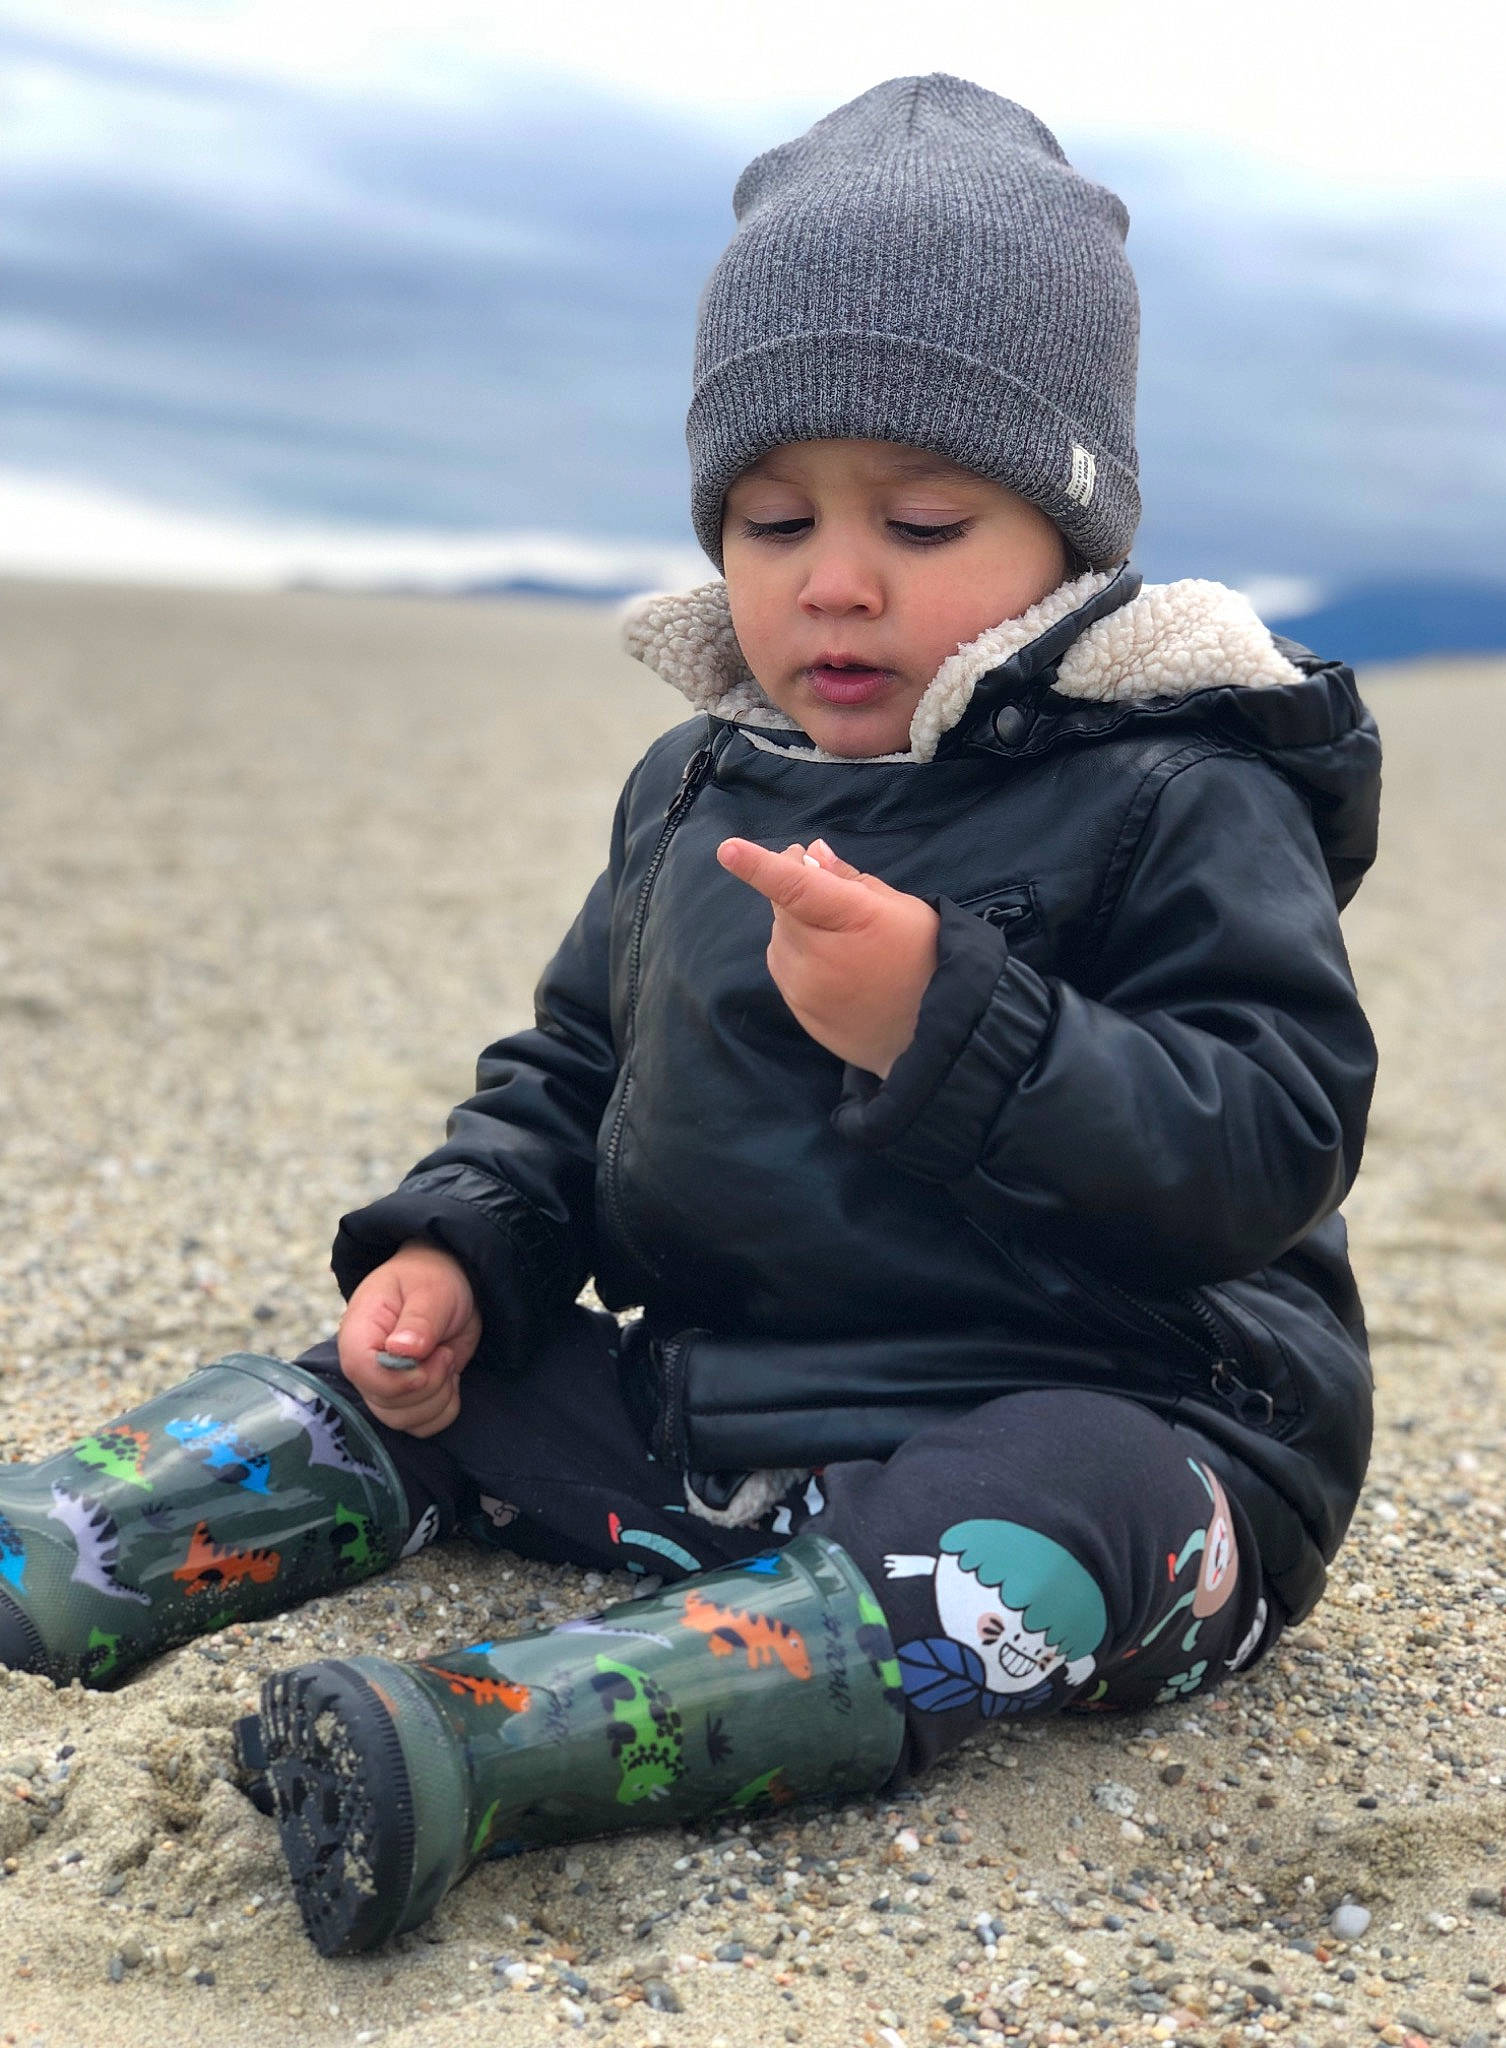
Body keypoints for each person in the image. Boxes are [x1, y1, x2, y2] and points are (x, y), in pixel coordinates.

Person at [0, 74, 1378, 1955]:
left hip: (1130, 1421)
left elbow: (1270, 1138)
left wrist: (947, 1021)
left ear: (1071, 536)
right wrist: (466, 1250)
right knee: (423, 1381)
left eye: (919, 515)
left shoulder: (1179, 789)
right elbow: (572, 1072)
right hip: (726, 1411)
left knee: (1034, 1531)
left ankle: (479, 1746)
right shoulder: (702, 783)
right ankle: (53, 1554)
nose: (832, 577)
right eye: (770, 514)